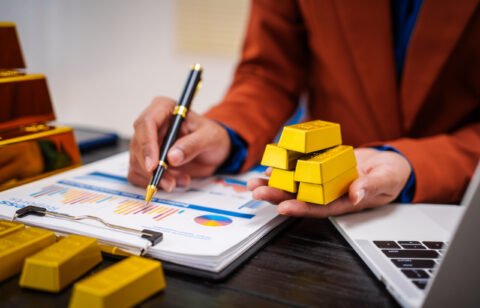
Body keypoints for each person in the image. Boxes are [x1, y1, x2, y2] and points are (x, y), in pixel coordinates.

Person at [129, 0, 480, 218]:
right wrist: (226, 132)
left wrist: (412, 162)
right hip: (319, 210)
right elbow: (269, 73)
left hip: (457, 205)